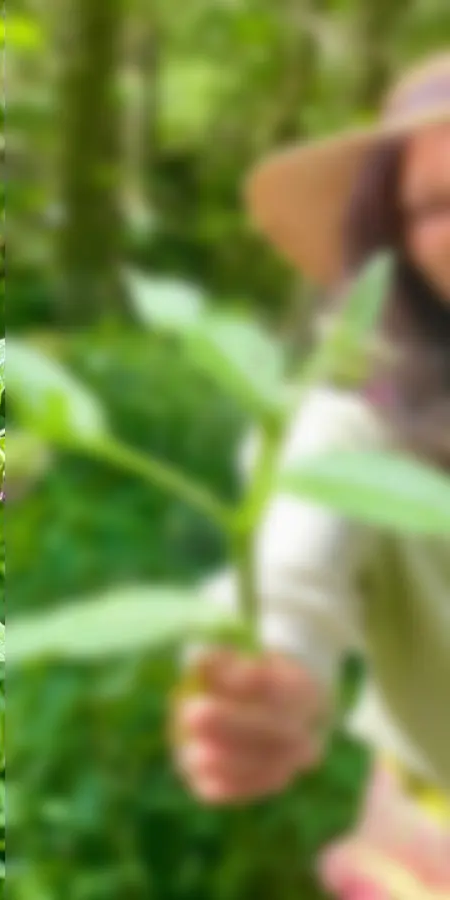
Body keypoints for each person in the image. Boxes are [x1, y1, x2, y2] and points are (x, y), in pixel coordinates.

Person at [170, 51, 450, 897]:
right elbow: (291, 564)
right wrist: (259, 675)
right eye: (438, 204)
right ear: (397, 242)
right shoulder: (364, 424)